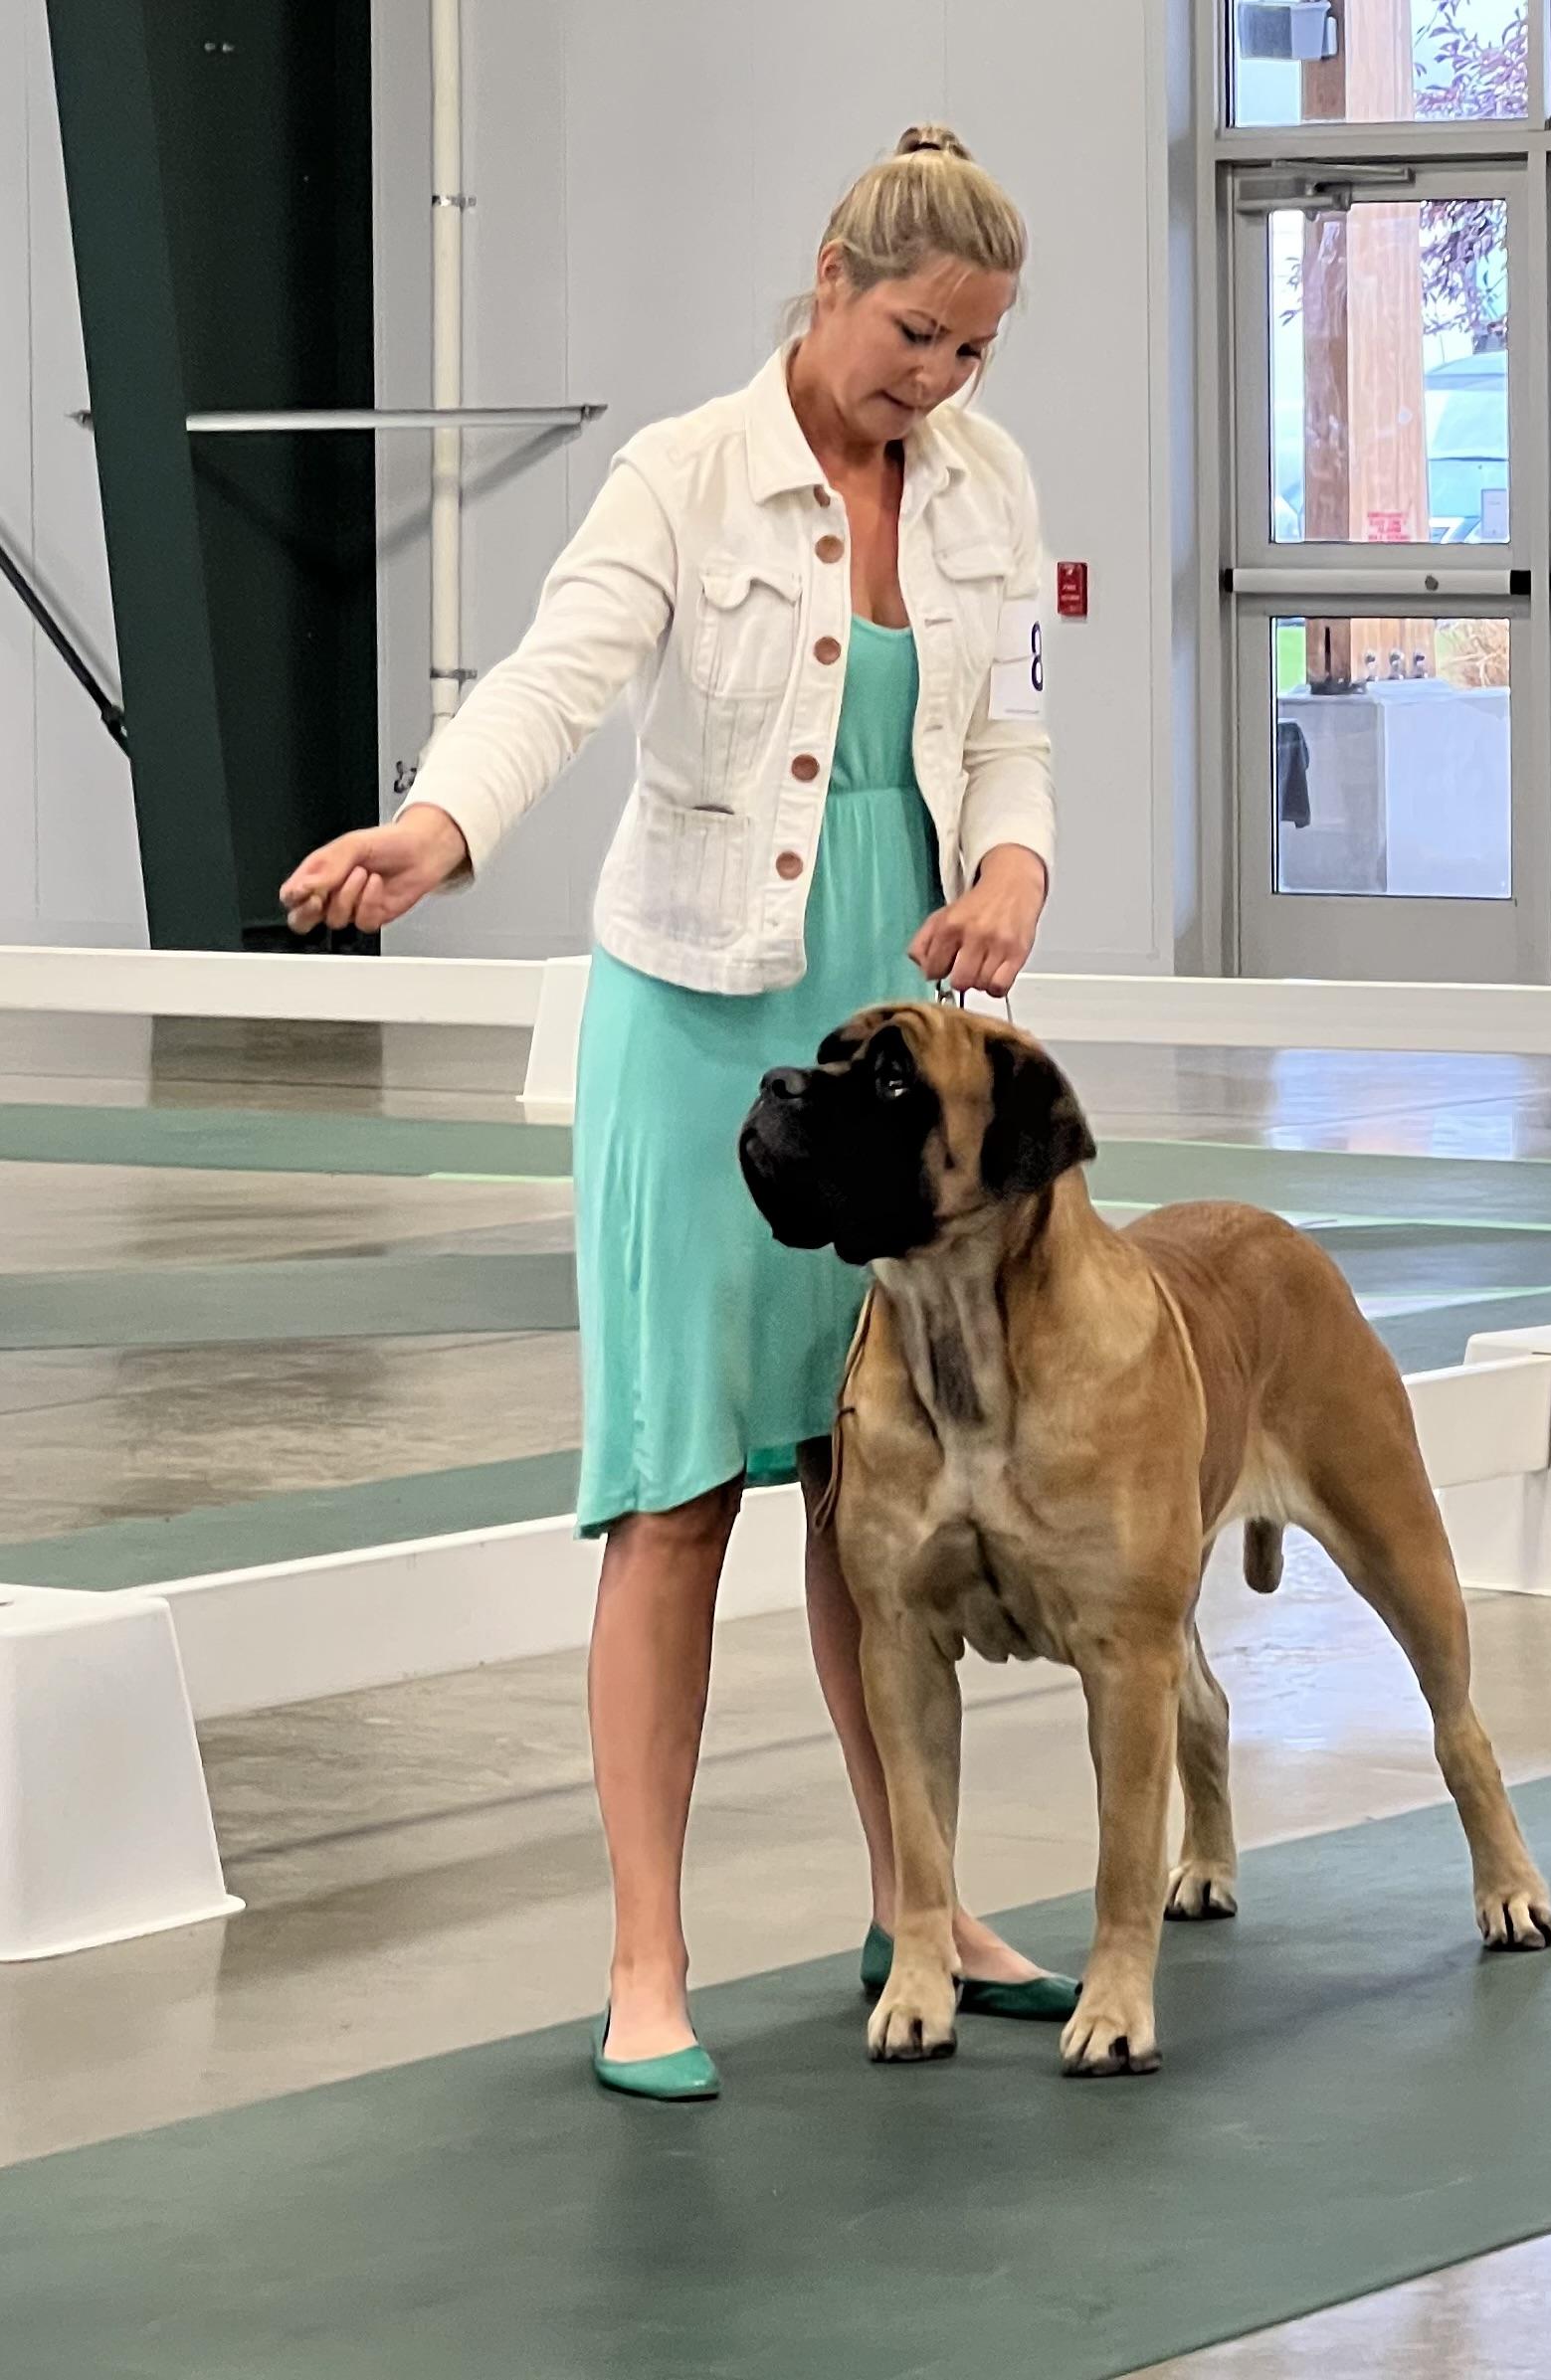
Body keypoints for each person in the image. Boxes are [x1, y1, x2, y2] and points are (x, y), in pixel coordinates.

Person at [282, 124, 1070, 2102]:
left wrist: (1013, 869)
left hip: (888, 1033)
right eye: (913, 336)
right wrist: (435, 826)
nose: (937, 380)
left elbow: (1011, 732)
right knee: (676, 1497)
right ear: (830, 279)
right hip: (700, 1028)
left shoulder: (986, 484)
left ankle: (920, 1907)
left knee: (876, 1492)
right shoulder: (682, 472)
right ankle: (649, 1960)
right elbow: (554, 680)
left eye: (973, 350)